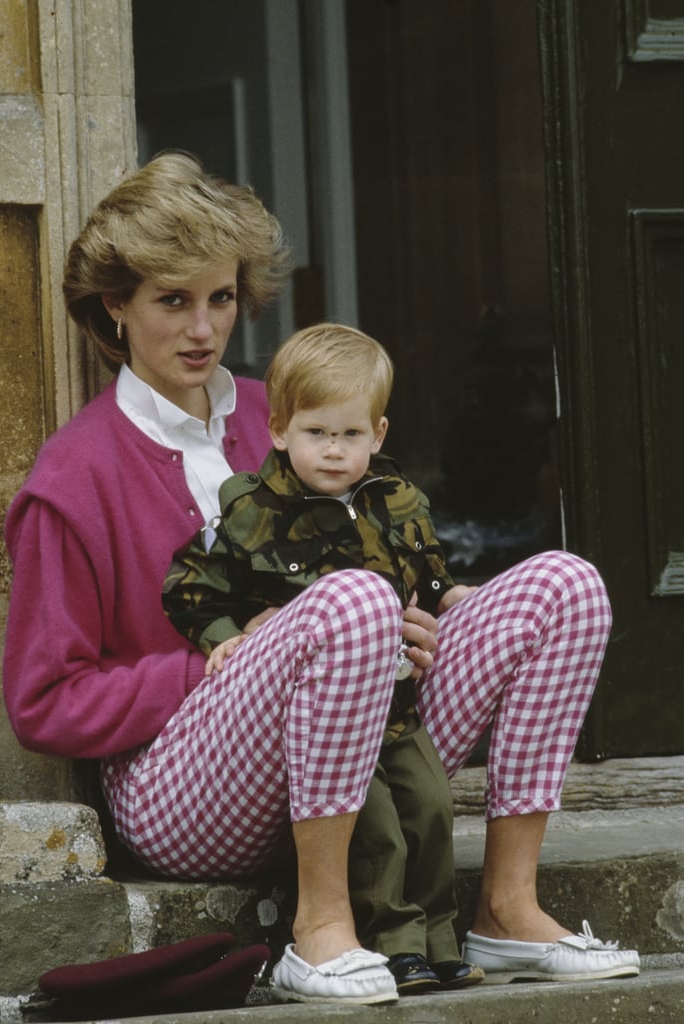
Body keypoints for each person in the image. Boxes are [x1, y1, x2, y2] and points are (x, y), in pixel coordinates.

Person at [2, 152, 639, 1008]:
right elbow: (44, 700)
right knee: (349, 601)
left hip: (354, 762)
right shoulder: (74, 476)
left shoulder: (287, 414)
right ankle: (322, 930)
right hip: (182, 794)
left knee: (564, 585)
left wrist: (407, 622)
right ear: (115, 305)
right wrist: (216, 662)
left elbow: (378, 551)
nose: (202, 328)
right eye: (172, 300)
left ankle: (505, 906)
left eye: (221, 298)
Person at [162, 323, 485, 996]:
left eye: (350, 435)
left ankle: (438, 938)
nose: (334, 452)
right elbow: (188, 584)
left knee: (429, 808)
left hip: (398, 704)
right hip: (327, 723)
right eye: (316, 434)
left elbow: (423, 570)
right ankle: (393, 943)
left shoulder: (396, 501)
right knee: (378, 831)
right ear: (278, 428)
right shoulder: (253, 509)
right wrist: (222, 634)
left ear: (379, 433)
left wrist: (452, 594)